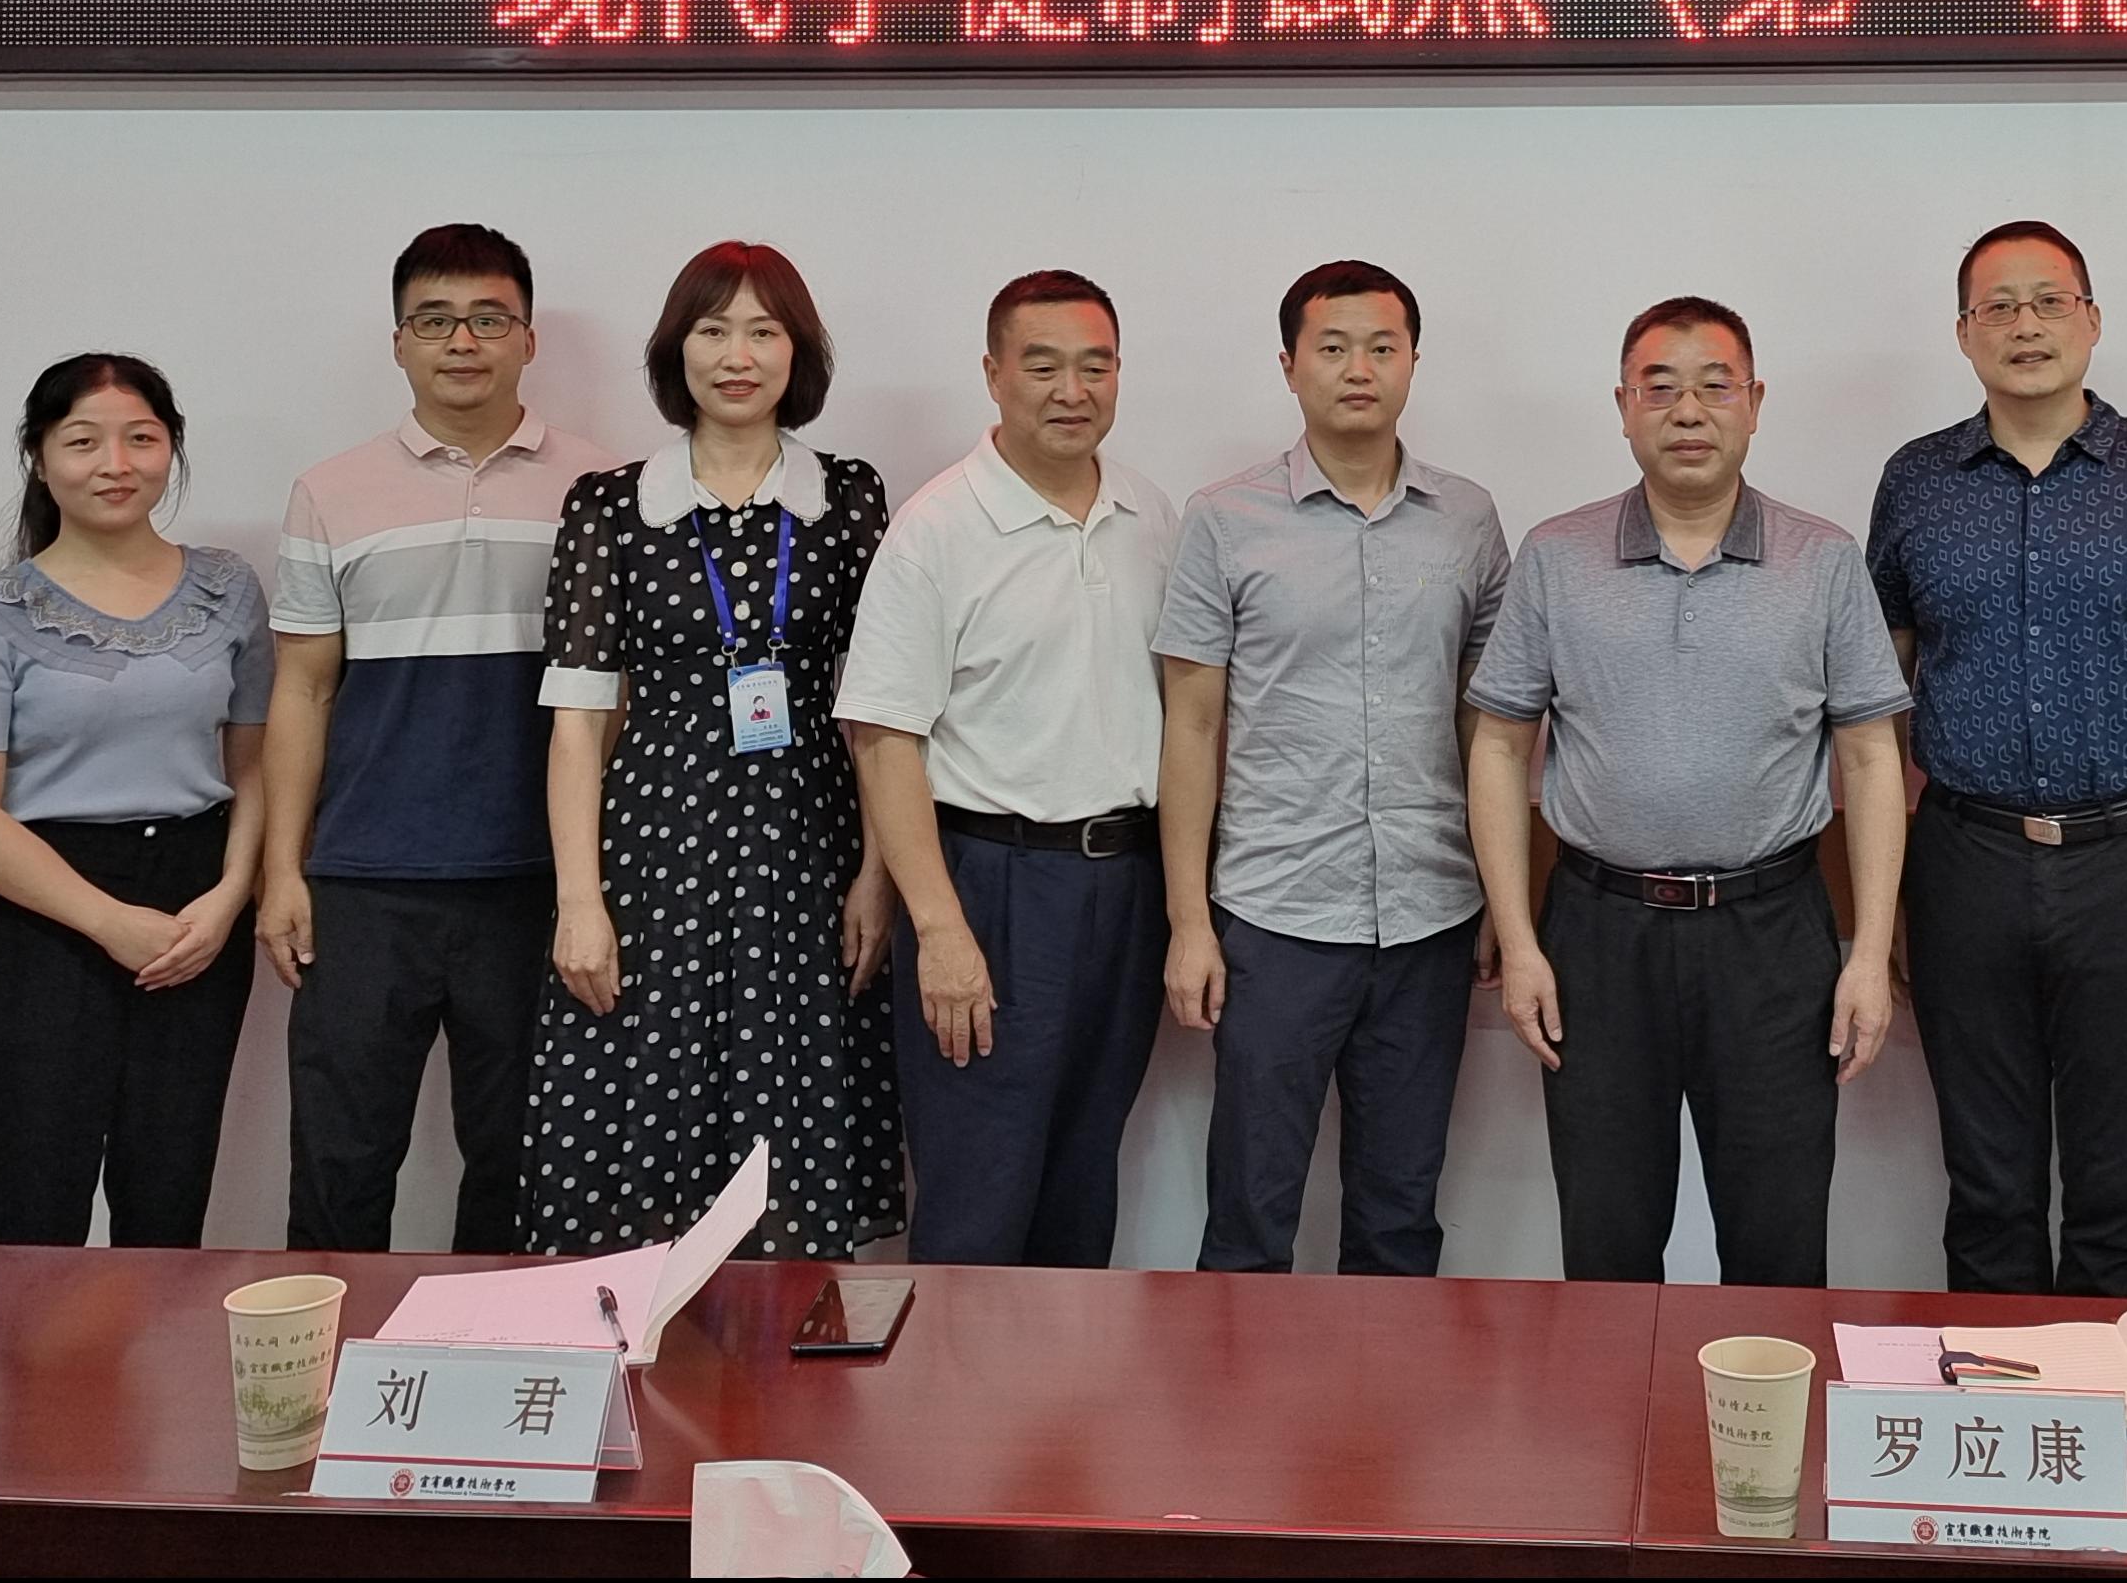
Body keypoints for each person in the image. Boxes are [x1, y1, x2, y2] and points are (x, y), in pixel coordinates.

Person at [1866, 220, 2127, 1298]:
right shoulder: (1916, 480)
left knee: (2119, 1188)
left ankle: (2109, 1402)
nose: (2026, 325)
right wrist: (1892, 890)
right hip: (1965, 860)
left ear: (2091, 320)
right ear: (1963, 333)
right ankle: (1993, 1403)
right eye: (1997, 306)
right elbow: (1875, 705)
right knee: (1986, 1186)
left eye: (2049, 300)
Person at [1466, 296, 1911, 1287]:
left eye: (1715, 385)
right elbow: (1498, 746)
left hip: (1773, 936)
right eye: (1659, 388)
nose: (1688, 410)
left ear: (1755, 402)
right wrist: (1522, 940)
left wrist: (1870, 953)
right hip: (1597, 934)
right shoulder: (1556, 555)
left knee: (1778, 1242)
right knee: (1608, 1244)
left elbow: (1872, 758)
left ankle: (1770, 1399)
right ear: (1622, 407)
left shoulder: (1822, 559)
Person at [528, 242, 900, 1258]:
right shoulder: (609, 505)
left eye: (763, 331)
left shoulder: (848, 497)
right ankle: (649, 1345)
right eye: (712, 329)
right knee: (647, 1114)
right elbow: (578, 719)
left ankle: (786, 1353)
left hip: (808, 852)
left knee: (793, 1114)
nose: (738, 355)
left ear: (798, 352)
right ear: (675, 349)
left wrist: (876, 874)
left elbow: (879, 707)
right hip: (653, 854)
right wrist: (578, 899)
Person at [257, 225, 612, 1255]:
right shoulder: (330, 490)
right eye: (435, 320)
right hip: (365, 880)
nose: (463, 341)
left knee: (524, 1168)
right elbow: (303, 689)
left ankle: (502, 1356)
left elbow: (616, 699)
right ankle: (325, 1357)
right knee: (340, 1161)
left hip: (536, 881)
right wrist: (283, 870)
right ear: (399, 342)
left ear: (529, 339)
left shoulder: (602, 488)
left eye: (489, 318)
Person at [1156, 261, 1510, 1276]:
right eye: (1333, 347)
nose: (1360, 368)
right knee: (1250, 1212)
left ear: (1411, 362)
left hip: (1429, 916)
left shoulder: (1467, 517)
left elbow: (1491, 724)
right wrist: (1189, 921)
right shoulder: (1224, 517)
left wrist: (1504, 898)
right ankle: (1236, 1385)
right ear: (1289, 365)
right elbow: (1190, 725)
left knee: (1400, 1218)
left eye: (1382, 347)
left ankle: (1386, 1388)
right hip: (1275, 916)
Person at [841, 272, 1179, 1267]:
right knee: (978, 1187)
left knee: (1083, 1174)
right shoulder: (937, 528)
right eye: (1042, 367)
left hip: (1126, 881)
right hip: (989, 886)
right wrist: (940, 929)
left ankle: (1063, 1374)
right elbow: (884, 739)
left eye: (1095, 366)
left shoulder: (1150, 514)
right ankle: (952, 1377)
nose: (1072, 390)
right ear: (992, 374)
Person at [0, 353, 270, 1247]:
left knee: (168, 1199)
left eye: (140, 438)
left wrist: (231, 895)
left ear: (171, 449)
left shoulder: (229, 592)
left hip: (197, 908)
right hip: (43, 915)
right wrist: (109, 921)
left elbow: (255, 767)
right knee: (37, 1205)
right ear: (40, 458)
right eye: (83, 441)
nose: (115, 463)